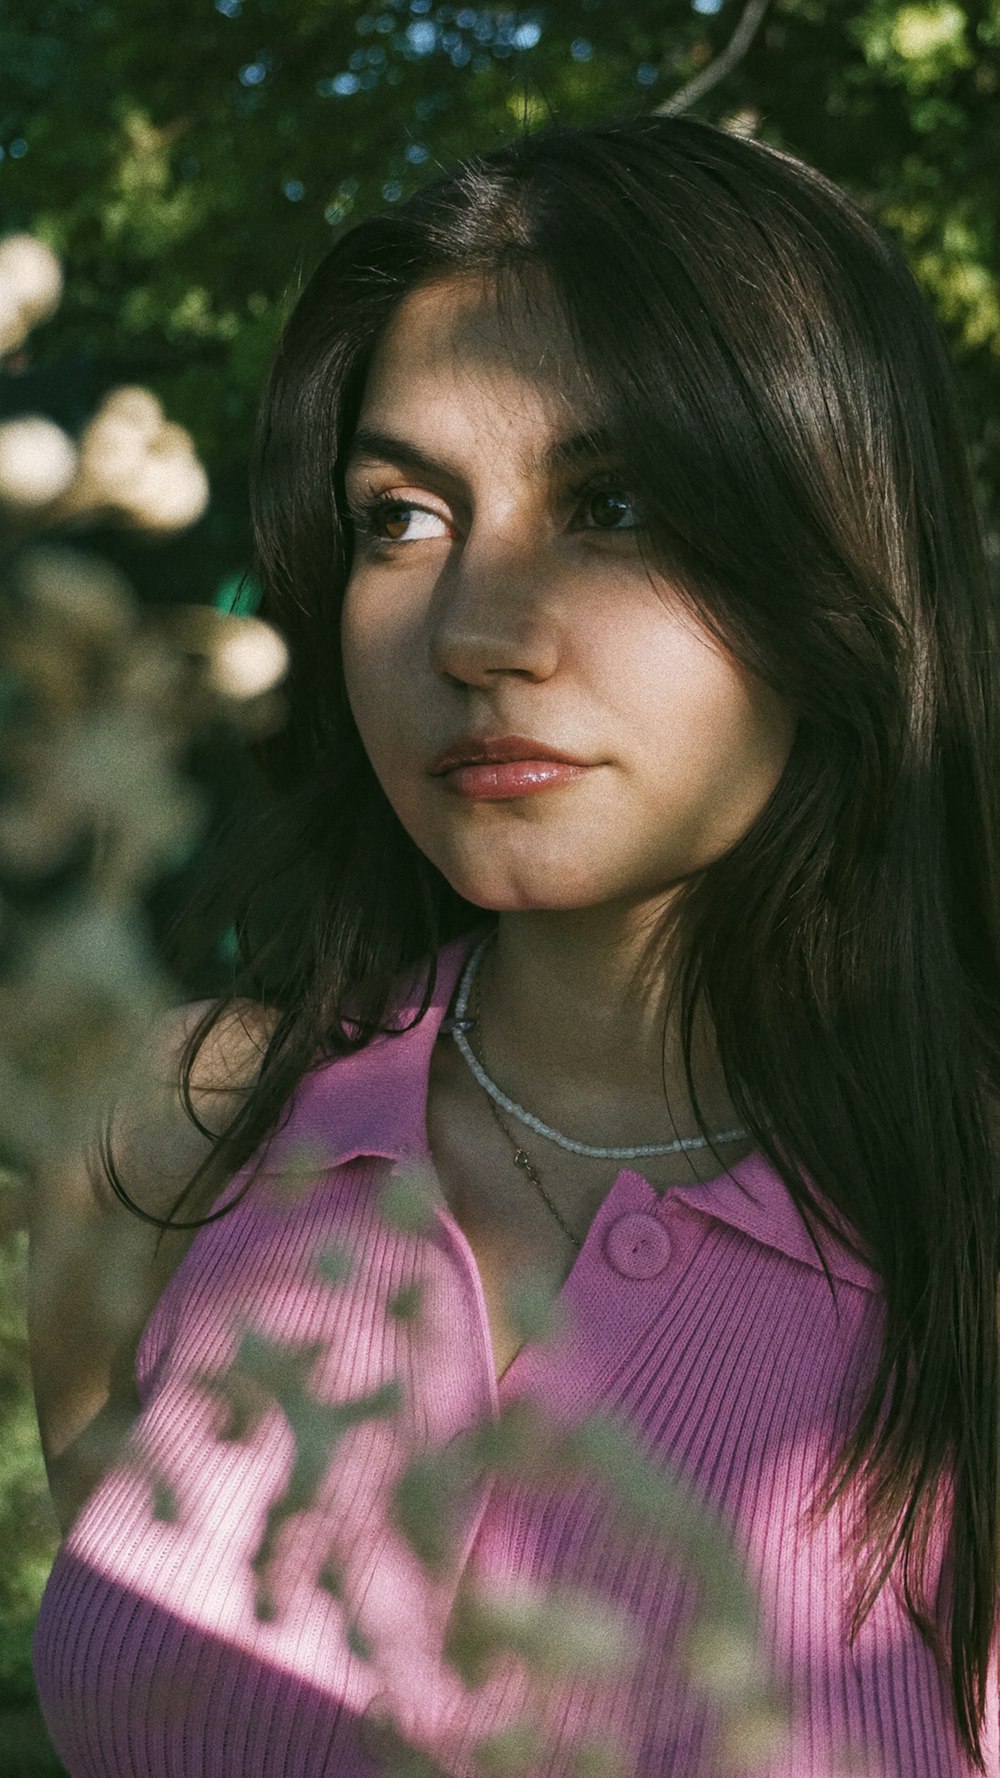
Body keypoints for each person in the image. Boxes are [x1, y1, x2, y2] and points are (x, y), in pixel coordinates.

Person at [27, 112, 1000, 1778]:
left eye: (611, 501)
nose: (474, 628)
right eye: (401, 517)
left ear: (836, 560)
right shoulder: (179, 1127)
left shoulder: (964, 1232)